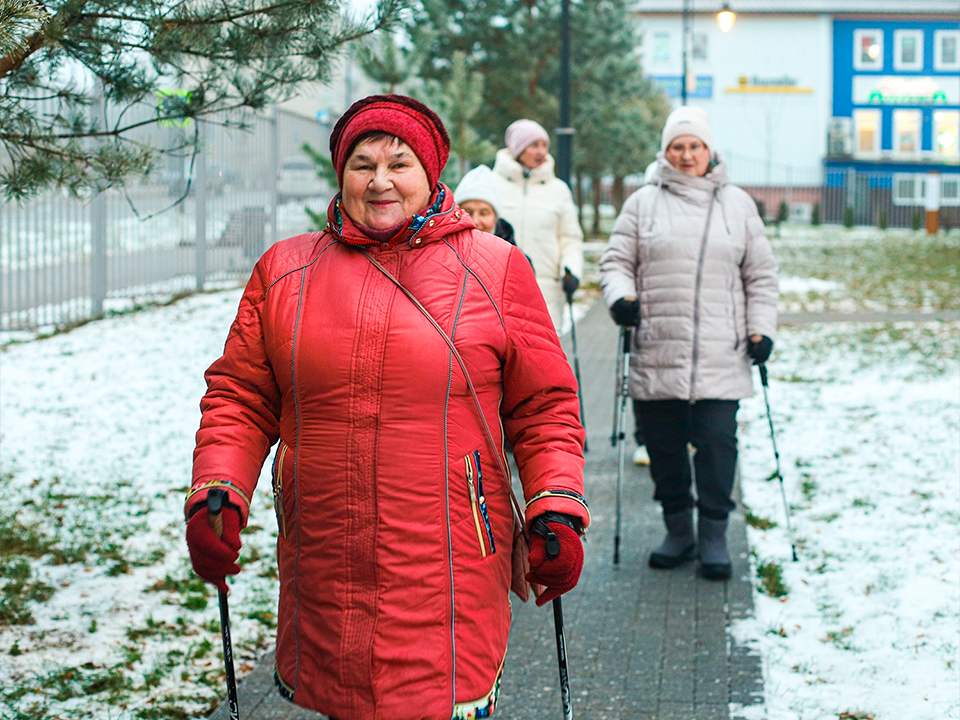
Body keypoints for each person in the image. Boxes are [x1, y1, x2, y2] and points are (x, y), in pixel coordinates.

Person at [183, 95, 589, 720]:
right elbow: (240, 399)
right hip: (324, 567)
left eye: (399, 163)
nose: (379, 181)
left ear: (430, 175)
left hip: (451, 570)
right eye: (362, 163)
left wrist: (556, 504)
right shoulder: (286, 271)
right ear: (341, 174)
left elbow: (545, 409)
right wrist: (219, 487)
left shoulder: (496, 268)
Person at [598, 105, 778, 580]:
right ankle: (679, 531)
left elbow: (760, 275)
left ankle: (714, 535)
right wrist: (621, 298)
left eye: (695, 145)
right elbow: (615, 262)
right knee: (664, 449)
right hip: (658, 348)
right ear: (666, 152)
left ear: (709, 150)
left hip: (722, 352)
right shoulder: (642, 203)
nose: (686, 154)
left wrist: (762, 329)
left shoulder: (737, 204)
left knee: (718, 446)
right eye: (677, 146)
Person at [492, 119, 583, 334]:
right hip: (497, 288)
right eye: (534, 145)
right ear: (517, 148)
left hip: (546, 290)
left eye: (544, 145)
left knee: (543, 358)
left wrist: (571, 270)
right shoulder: (491, 185)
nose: (541, 152)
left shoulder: (559, 190)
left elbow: (570, 238)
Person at [454, 164, 519, 250]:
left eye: (484, 213)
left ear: (495, 220)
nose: (475, 221)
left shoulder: (514, 259)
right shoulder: (441, 254)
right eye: (468, 212)